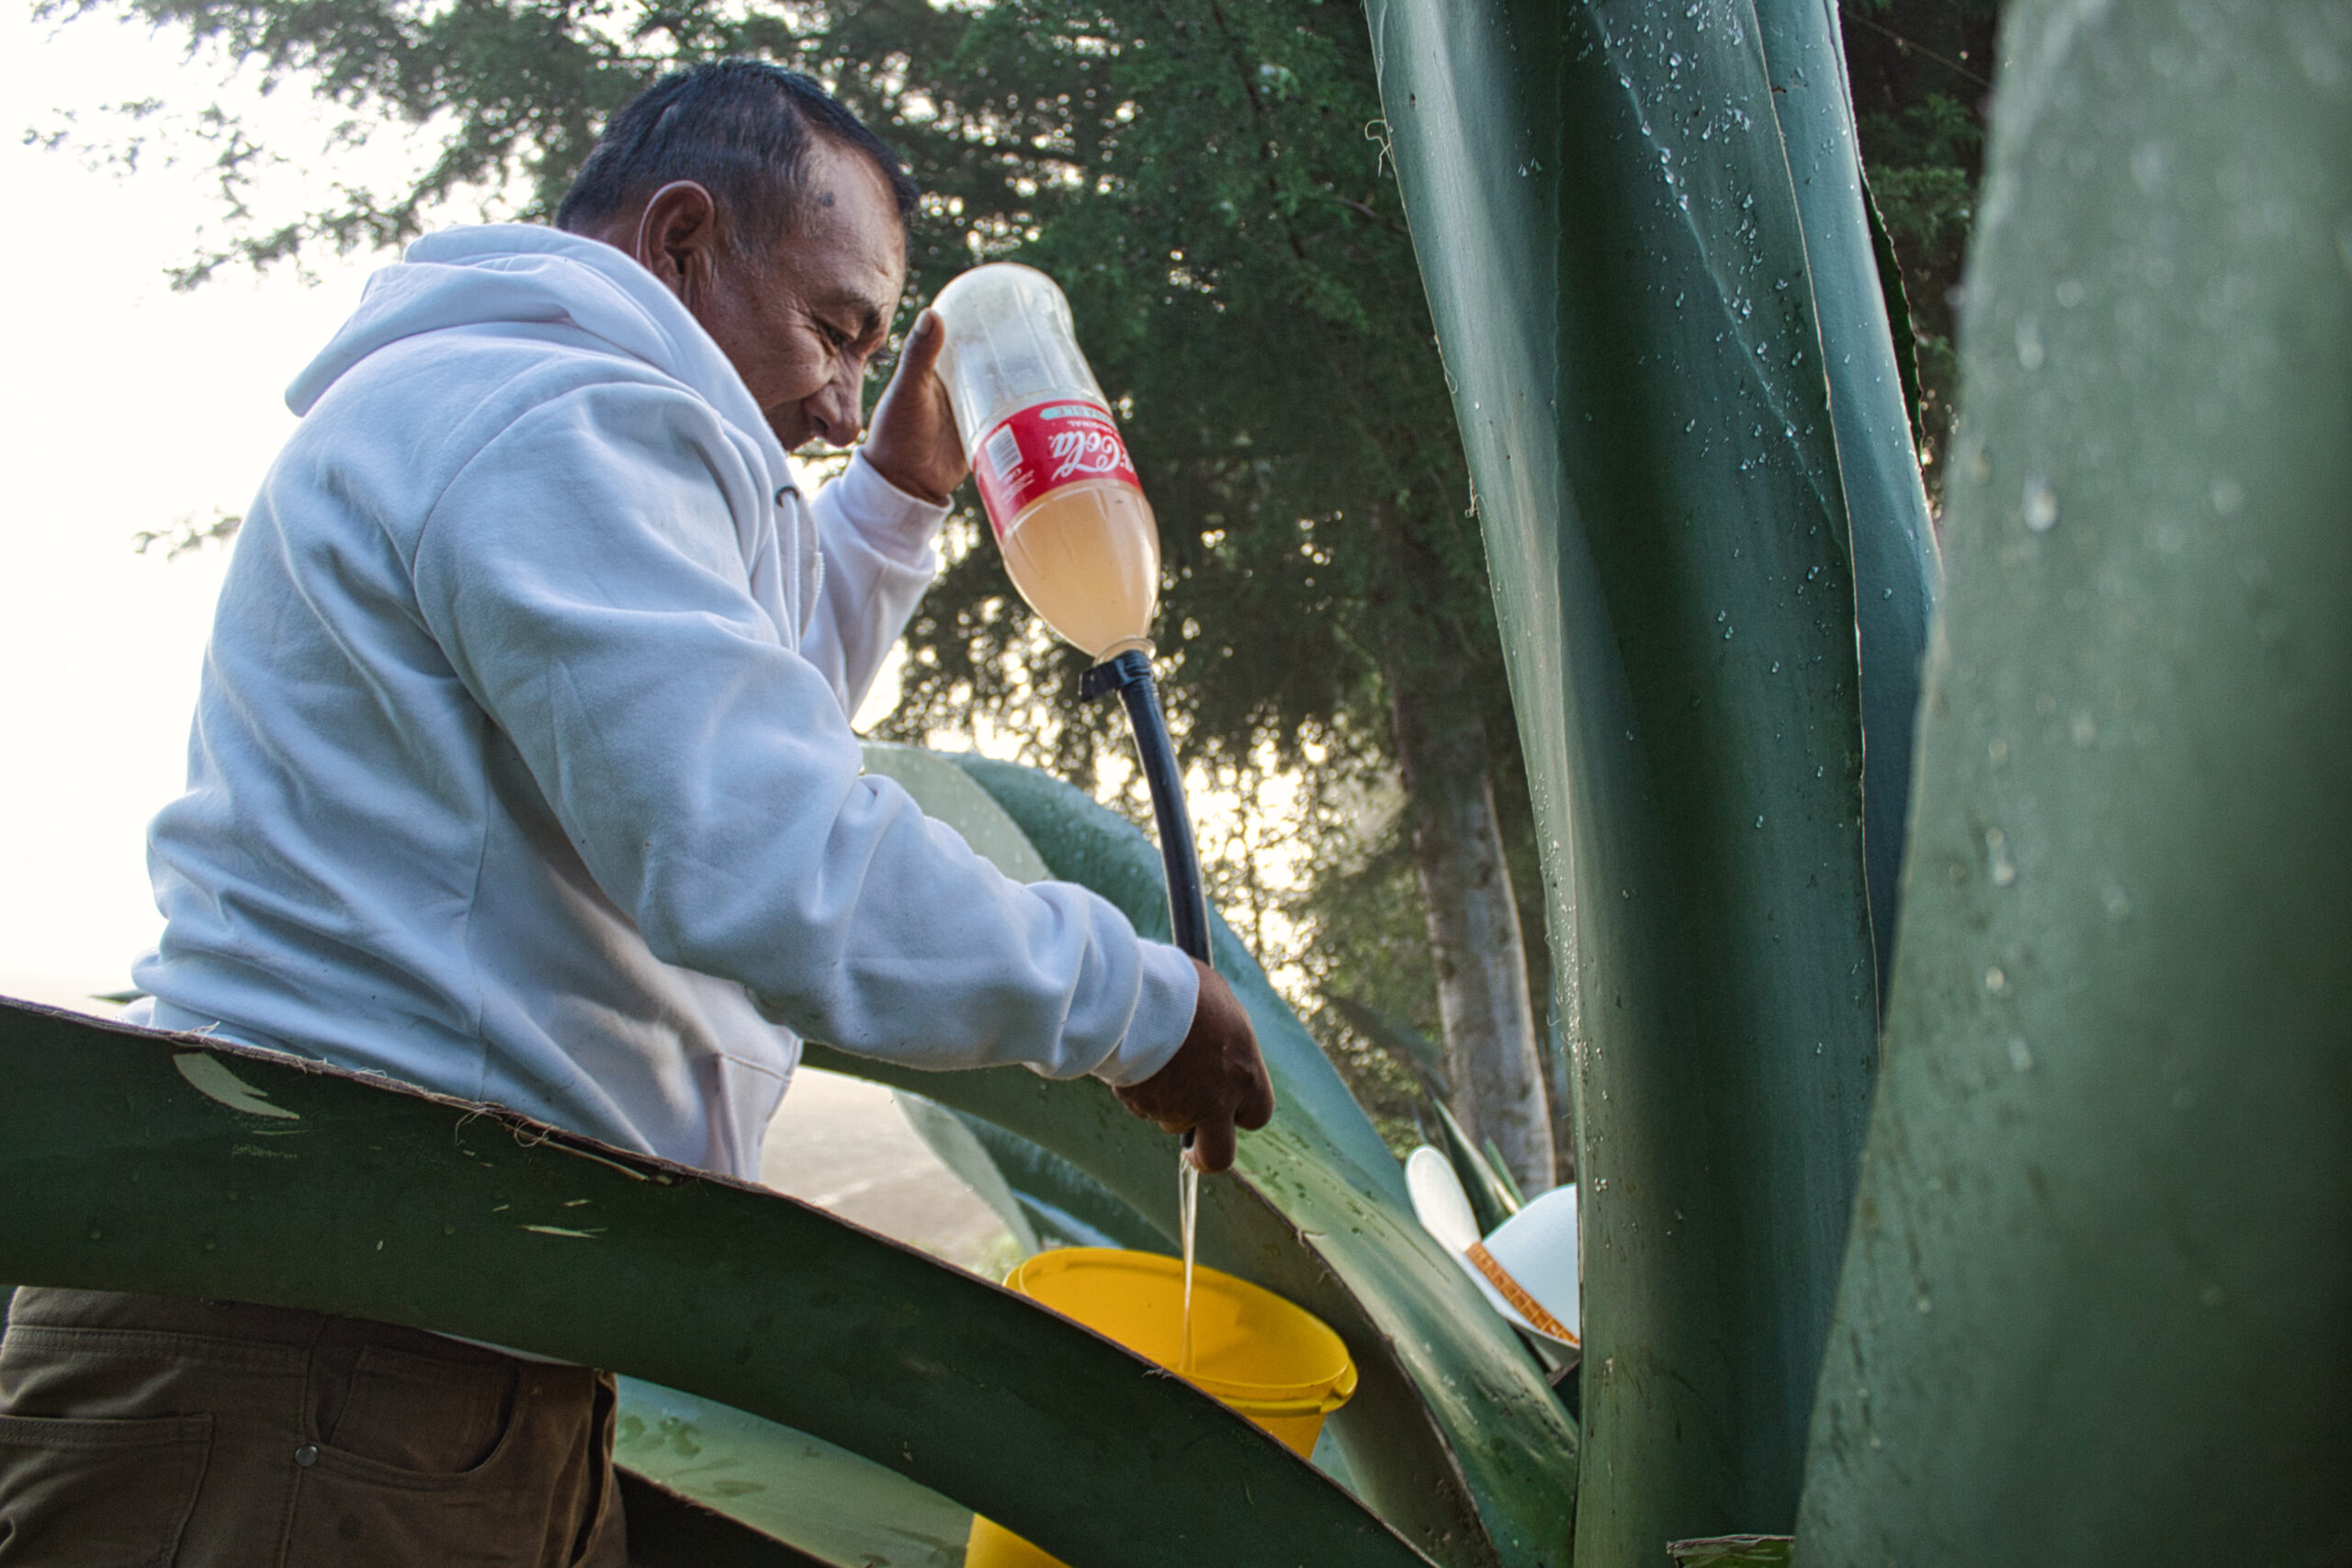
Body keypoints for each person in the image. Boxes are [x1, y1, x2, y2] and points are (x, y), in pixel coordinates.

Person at [0, 60, 1272, 1565]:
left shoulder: (512, 407)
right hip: (325, 1380)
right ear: (680, 244)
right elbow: (759, 850)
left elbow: (724, 709)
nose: (836, 404)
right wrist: (1135, 1003)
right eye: (833, 329)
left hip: (395, 1356)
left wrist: (902, 486)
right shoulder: (553, 409)